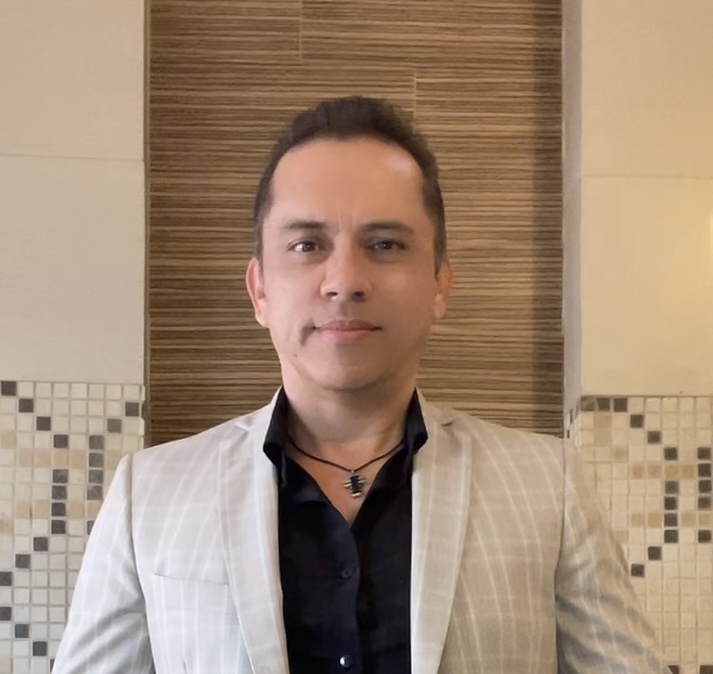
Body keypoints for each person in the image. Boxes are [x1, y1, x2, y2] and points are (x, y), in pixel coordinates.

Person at [53, 96, 668, 674]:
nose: (344, 279)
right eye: (306, 244)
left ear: (440, 284)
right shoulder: (148, 495)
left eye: (385, 244)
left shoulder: (549, 488)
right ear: (260, 290)